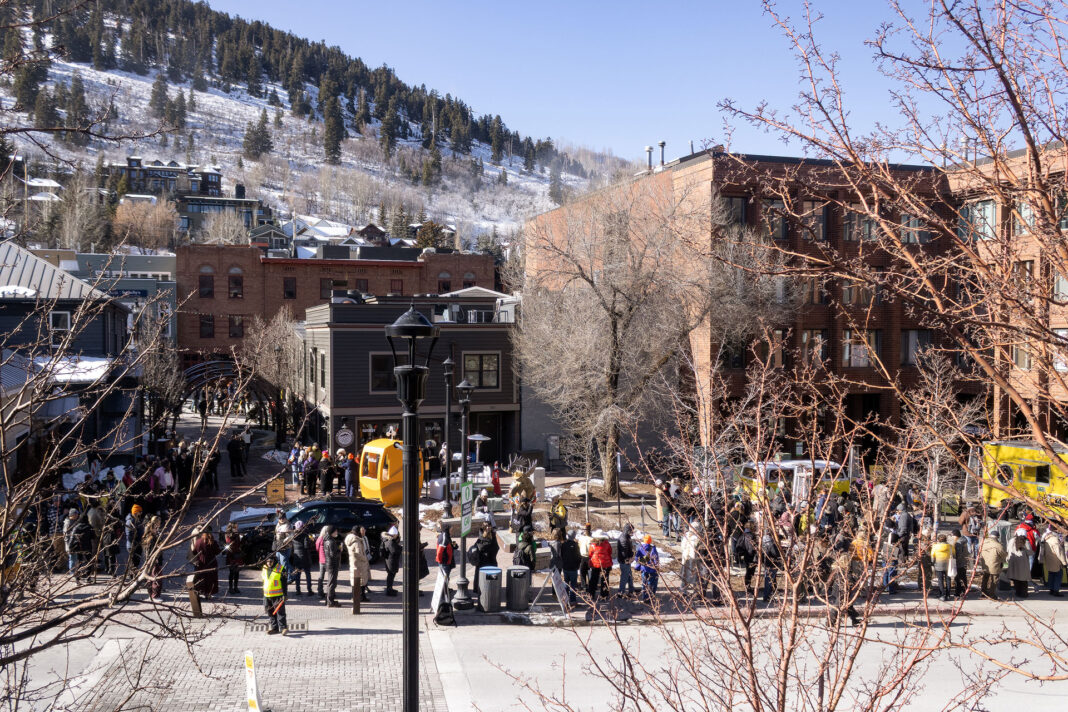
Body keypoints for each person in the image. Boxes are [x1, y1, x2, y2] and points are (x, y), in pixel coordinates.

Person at [262, 552, 288, 635]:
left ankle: (283, 628)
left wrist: (285, 594)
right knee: (270, 612)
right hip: (267, 595)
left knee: (280, 612)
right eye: (267, 561)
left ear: (274, 561)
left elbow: (284, 583)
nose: (269, 563)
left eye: (271, 561)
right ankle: (274, 628)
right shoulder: (264, 568)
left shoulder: (280, 569)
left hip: (278, 595)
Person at [191, 526, 221, 599]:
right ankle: (208, 593)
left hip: (201, 562)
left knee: (200, 577)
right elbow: (217, 552)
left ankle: (200, 591)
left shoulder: (198, 541)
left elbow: (194, 552)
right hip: (211, 562)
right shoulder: (213, 542)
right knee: (210, 578)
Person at [470, 524, 499, 597]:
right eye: (487, 526)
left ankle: (491, 589)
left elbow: (496, 547)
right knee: (481, 576)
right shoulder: (481, 537)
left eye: (489, 526)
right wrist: (487, 546)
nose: (489, 527)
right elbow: (479, 547)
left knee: (491, 575)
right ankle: (479, 589)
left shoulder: (493, 535)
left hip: (491, 559)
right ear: (484, 528)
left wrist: (491, 550)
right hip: (483, 560)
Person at [344, 525, 372, 602]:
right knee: (361, 580)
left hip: (354, 563)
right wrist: (365, 559)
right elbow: (358, 553)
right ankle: (360, 597)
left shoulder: (350, 539)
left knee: (355, 580)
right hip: (359, 563)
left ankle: (357, 596)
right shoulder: (356, 541)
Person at [979, 526, 1007, 599]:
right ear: (997, 537)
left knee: (985, 579)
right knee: (994, 580)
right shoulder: (998, 545)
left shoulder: (983, 543)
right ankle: (992, 595)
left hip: (985, 565)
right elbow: (1003, 555)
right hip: (994, 565)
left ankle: (983, 593)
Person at [1040, 524, 1067, 597]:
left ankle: (1051, 589)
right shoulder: (1055, 539)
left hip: (1049, 559)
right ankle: (1056, 590)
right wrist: (1064, 562)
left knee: (1051, 574)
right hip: (1055, 560)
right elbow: (1059, 552)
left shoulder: (1046, 538)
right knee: (1058, 575)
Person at [587, 530, 613, 602]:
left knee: (593, 580)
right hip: (605, 564)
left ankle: (591, 595)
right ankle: (604, 595)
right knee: (604, 580)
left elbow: (590, 554)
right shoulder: (607, 544)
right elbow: (610, 552)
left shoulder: (592, 545)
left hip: (595, 564)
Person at [1007, 529, 1034, 599]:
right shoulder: (1025, 542)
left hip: (1013, 561)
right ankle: (1023, 593)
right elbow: (1030, 553)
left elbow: (1008, 550)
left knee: (1016, 578)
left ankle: (1017, 592)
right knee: (1023, 580)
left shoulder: (1011, 540)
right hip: (1023, 563)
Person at [289, 521, 314, 596]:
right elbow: (306, 546)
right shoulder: (305, 535)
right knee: (307, 574)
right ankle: (309, 590)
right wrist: (311, 540)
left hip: (297, 556)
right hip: (305, 556)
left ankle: (298, 590)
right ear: (303, 527)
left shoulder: (293, 535)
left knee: (297, 574)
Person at [559, 530, 582, 605]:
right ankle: (572, 600)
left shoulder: (564, 544)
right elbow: (578, 557)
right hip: (573, 568)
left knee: (566, 583)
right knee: (573, 585)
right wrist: (577, 565)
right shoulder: (575, 545)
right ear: (574, 536)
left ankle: (565, 599)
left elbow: (561, 555)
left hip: (565, 567)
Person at [143, 515, 163, 601]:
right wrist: (154, 558)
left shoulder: (153, 536)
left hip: (154, 559)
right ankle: (154, 595)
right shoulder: (151, 538)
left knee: (152, 576)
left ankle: (152, 594)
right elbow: (149, 551)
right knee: (155, 576)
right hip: (154, 559)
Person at [635, 534, 660, 602]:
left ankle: (645, 598)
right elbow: (656, 559)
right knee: (652, 584)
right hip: (652, 570)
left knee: (644, 583)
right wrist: (657, 567)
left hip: (644, 569)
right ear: (650, 540)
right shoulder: (653, 548)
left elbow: (637, 558)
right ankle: (651, 597)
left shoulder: (641, 548)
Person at [322, 525, 341, 606]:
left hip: (329, 563)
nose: (337, 532)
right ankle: (330, 601)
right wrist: (340, 550)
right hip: (332, 564)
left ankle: (328, 600)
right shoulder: (331, 541)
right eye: (335, 531)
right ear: (331, 532)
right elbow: (333, 554)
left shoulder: (327, 540)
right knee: (332, 583)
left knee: (330, 582)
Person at [931, 533, 952, 601]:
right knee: (948, 580)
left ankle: (942, 594)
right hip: (948, 565)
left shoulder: (935, 546)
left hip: (938, 564)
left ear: (938, 540)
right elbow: (954, 555)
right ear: (946, 539)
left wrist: (933, 563)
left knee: (940, 580)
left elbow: (932, 556)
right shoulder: (950, 546)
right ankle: (948, 595)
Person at [616, 524, 636, 597]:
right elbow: (624, 552)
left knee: (629, 575)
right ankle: (621, 592)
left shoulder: (627, 537)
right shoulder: (623, 539)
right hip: (624, 561)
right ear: (628, 530)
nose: (632, 532)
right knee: (624, 577)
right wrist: (628, 559)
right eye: (631, 531)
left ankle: (631, 590)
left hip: (626, 560)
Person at [223, 523, 243, 596]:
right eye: (235, 527)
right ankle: (231, 588)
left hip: (237, 554)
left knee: (237, 572)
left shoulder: (236, 534)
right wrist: (234, 536)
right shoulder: (228, 534)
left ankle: (235, 587)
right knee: (232, 572)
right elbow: (229, 543)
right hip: (231, 555)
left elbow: (239, 543)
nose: (237, 528)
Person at [382, 526, 402, 596]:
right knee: (391, 575)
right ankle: (389, 589)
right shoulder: (390, 542)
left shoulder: (387, 540)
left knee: (390, 575)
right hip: (391, 561)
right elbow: (394, 551)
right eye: (397, 535)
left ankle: (390, 588)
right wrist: (400, 548)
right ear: (394, 535)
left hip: (389, 560)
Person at [950, 528, 970, 597]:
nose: (952, 537)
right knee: (963, 577)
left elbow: (958, 554)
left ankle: (958, 592)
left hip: (959, 563)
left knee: (957, 578)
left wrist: (954, 560)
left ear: (955, 535)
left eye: (952, 535)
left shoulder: (958, 543)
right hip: (964, 562)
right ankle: (964, 590)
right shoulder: (963, 540)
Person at [125, 504, 144, 570]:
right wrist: (136, 543)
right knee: (133, 562)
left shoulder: (137, 519)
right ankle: (132, 576)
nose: (141, 513)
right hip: (133, 545)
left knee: (136, 561)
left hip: (137, 544)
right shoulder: (130, 522)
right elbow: (129, 536)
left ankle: (134, 574)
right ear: (136, 512)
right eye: (140, 512)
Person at [576, 524, 593, 589]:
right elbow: (579, 546)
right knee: (582, 571)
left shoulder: (592, 539)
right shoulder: (581, 538)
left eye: (587, 530)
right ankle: (584, 585)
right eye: (585, 530)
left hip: (589, 557)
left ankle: (590, 584)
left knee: (589, 572)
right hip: (583, 557)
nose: (586, 531)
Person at [315, 525, 329, 599]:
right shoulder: (329, 539)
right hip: (328, 560)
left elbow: (317, 548)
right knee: (330, 577)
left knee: (321, 576)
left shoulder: (319, 539)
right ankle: (330, 592)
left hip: (321, 560)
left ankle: (320, 592)